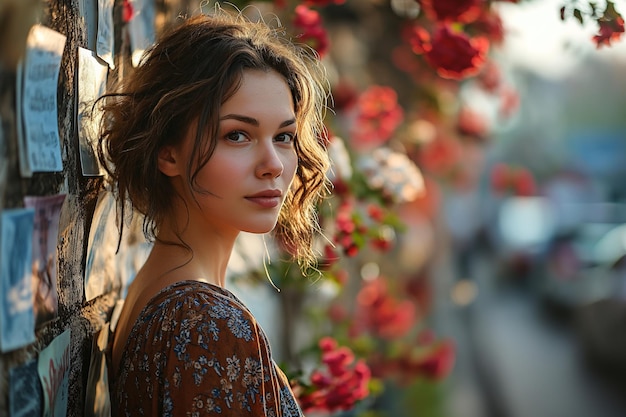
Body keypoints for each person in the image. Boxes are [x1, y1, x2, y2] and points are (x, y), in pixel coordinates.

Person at [97, 7, 331, 416]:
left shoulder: (158, 291)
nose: (273, 164)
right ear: (167, 152)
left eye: (284, 136)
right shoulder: (202, 320)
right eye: (237, 135)